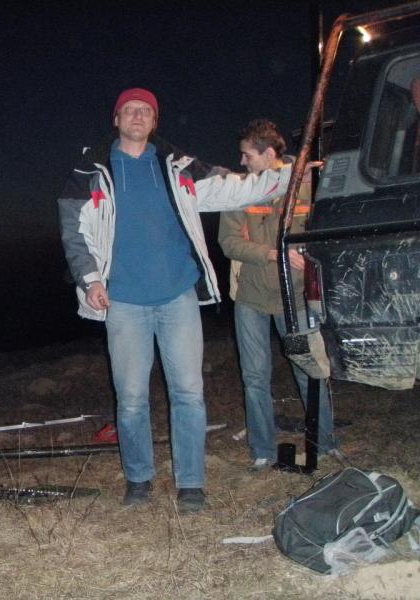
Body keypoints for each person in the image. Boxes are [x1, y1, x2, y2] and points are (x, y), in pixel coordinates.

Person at [57, 88, 295, 511]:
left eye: (145, 111)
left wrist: (291, 173)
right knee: (131, 398)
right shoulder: (89, 174)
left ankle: (191, 484)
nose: (137, 116)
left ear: (154, 121)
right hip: (122, 301)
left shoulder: (180, 167)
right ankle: (139, 480)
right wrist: (91, 280)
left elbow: (237, 189)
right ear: (116, 119)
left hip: (177, 297)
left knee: (188, 393)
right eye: (129, 110)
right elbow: (75, 235)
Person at [218, 119, 337, 471]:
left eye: (248, 155)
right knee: (255, 377)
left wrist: (308, 253)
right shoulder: (240, 190)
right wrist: (274, 253)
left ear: (269, 154)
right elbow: (229, 243)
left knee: (309, 368)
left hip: (295, 299)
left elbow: (324, 234)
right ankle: (263, 450)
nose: (242, 162)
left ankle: (325, 442)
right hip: (251, 300)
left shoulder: (307, 184)